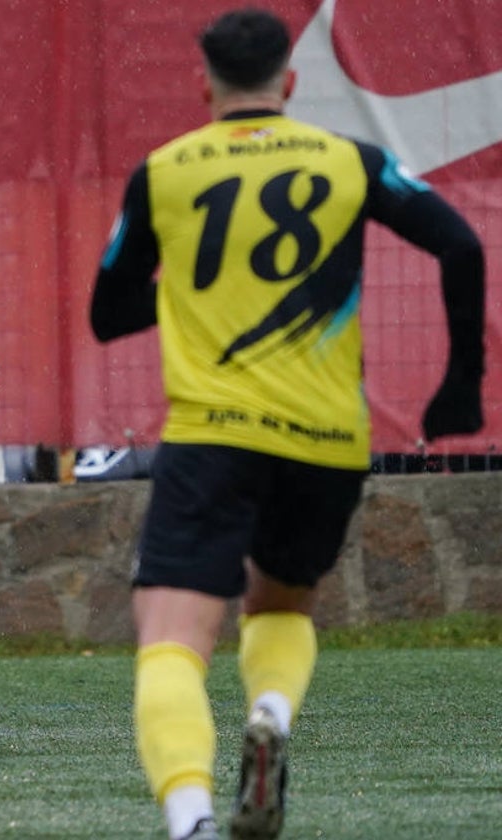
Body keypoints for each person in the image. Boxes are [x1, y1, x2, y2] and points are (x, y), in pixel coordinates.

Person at [89, 8, 484, 840]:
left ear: (204, 83)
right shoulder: (351, 161)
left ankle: (192, 817)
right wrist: (461, 383)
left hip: (212, 436)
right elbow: (461, 246)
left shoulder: (164, 173)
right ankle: (268, 710)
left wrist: (188, 292)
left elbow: (108, 312)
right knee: (281, 608)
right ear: (291, 83)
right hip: (327, 440)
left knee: (171, 639)